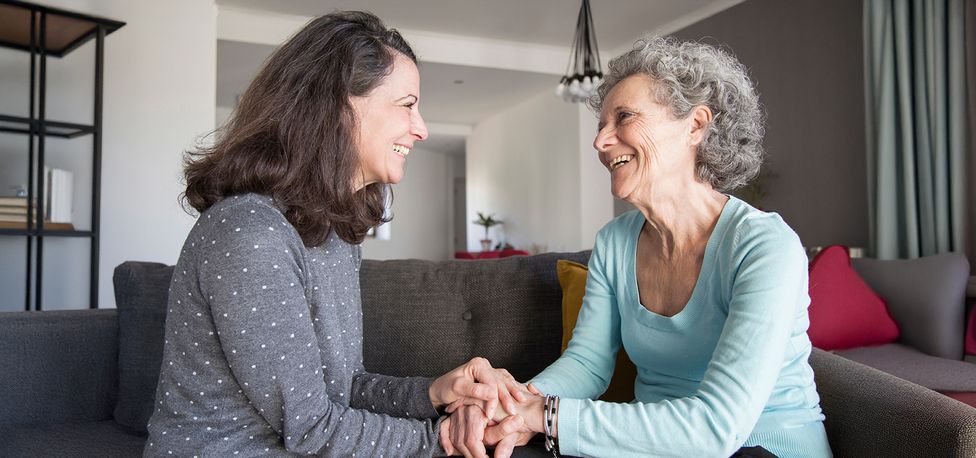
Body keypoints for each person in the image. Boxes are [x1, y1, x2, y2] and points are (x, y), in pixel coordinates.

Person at [144, 11, 522, 457]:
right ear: (339, 106)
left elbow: (343, 389)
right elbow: (312, 429)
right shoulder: (250, 233)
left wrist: (435, 394)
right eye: (407, 104)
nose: (421, 128)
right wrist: (443, 439)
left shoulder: (333, 233)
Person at [446, 36, 832, 458]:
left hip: (763, 446)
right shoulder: (614, 241)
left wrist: (547, 416)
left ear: (696, 126)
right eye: (600, 126)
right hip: (648, 445)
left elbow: (717, 429)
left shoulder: (763, 246)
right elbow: (587, 364)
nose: (600, 142)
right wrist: (516, 404)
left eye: (624, 117)